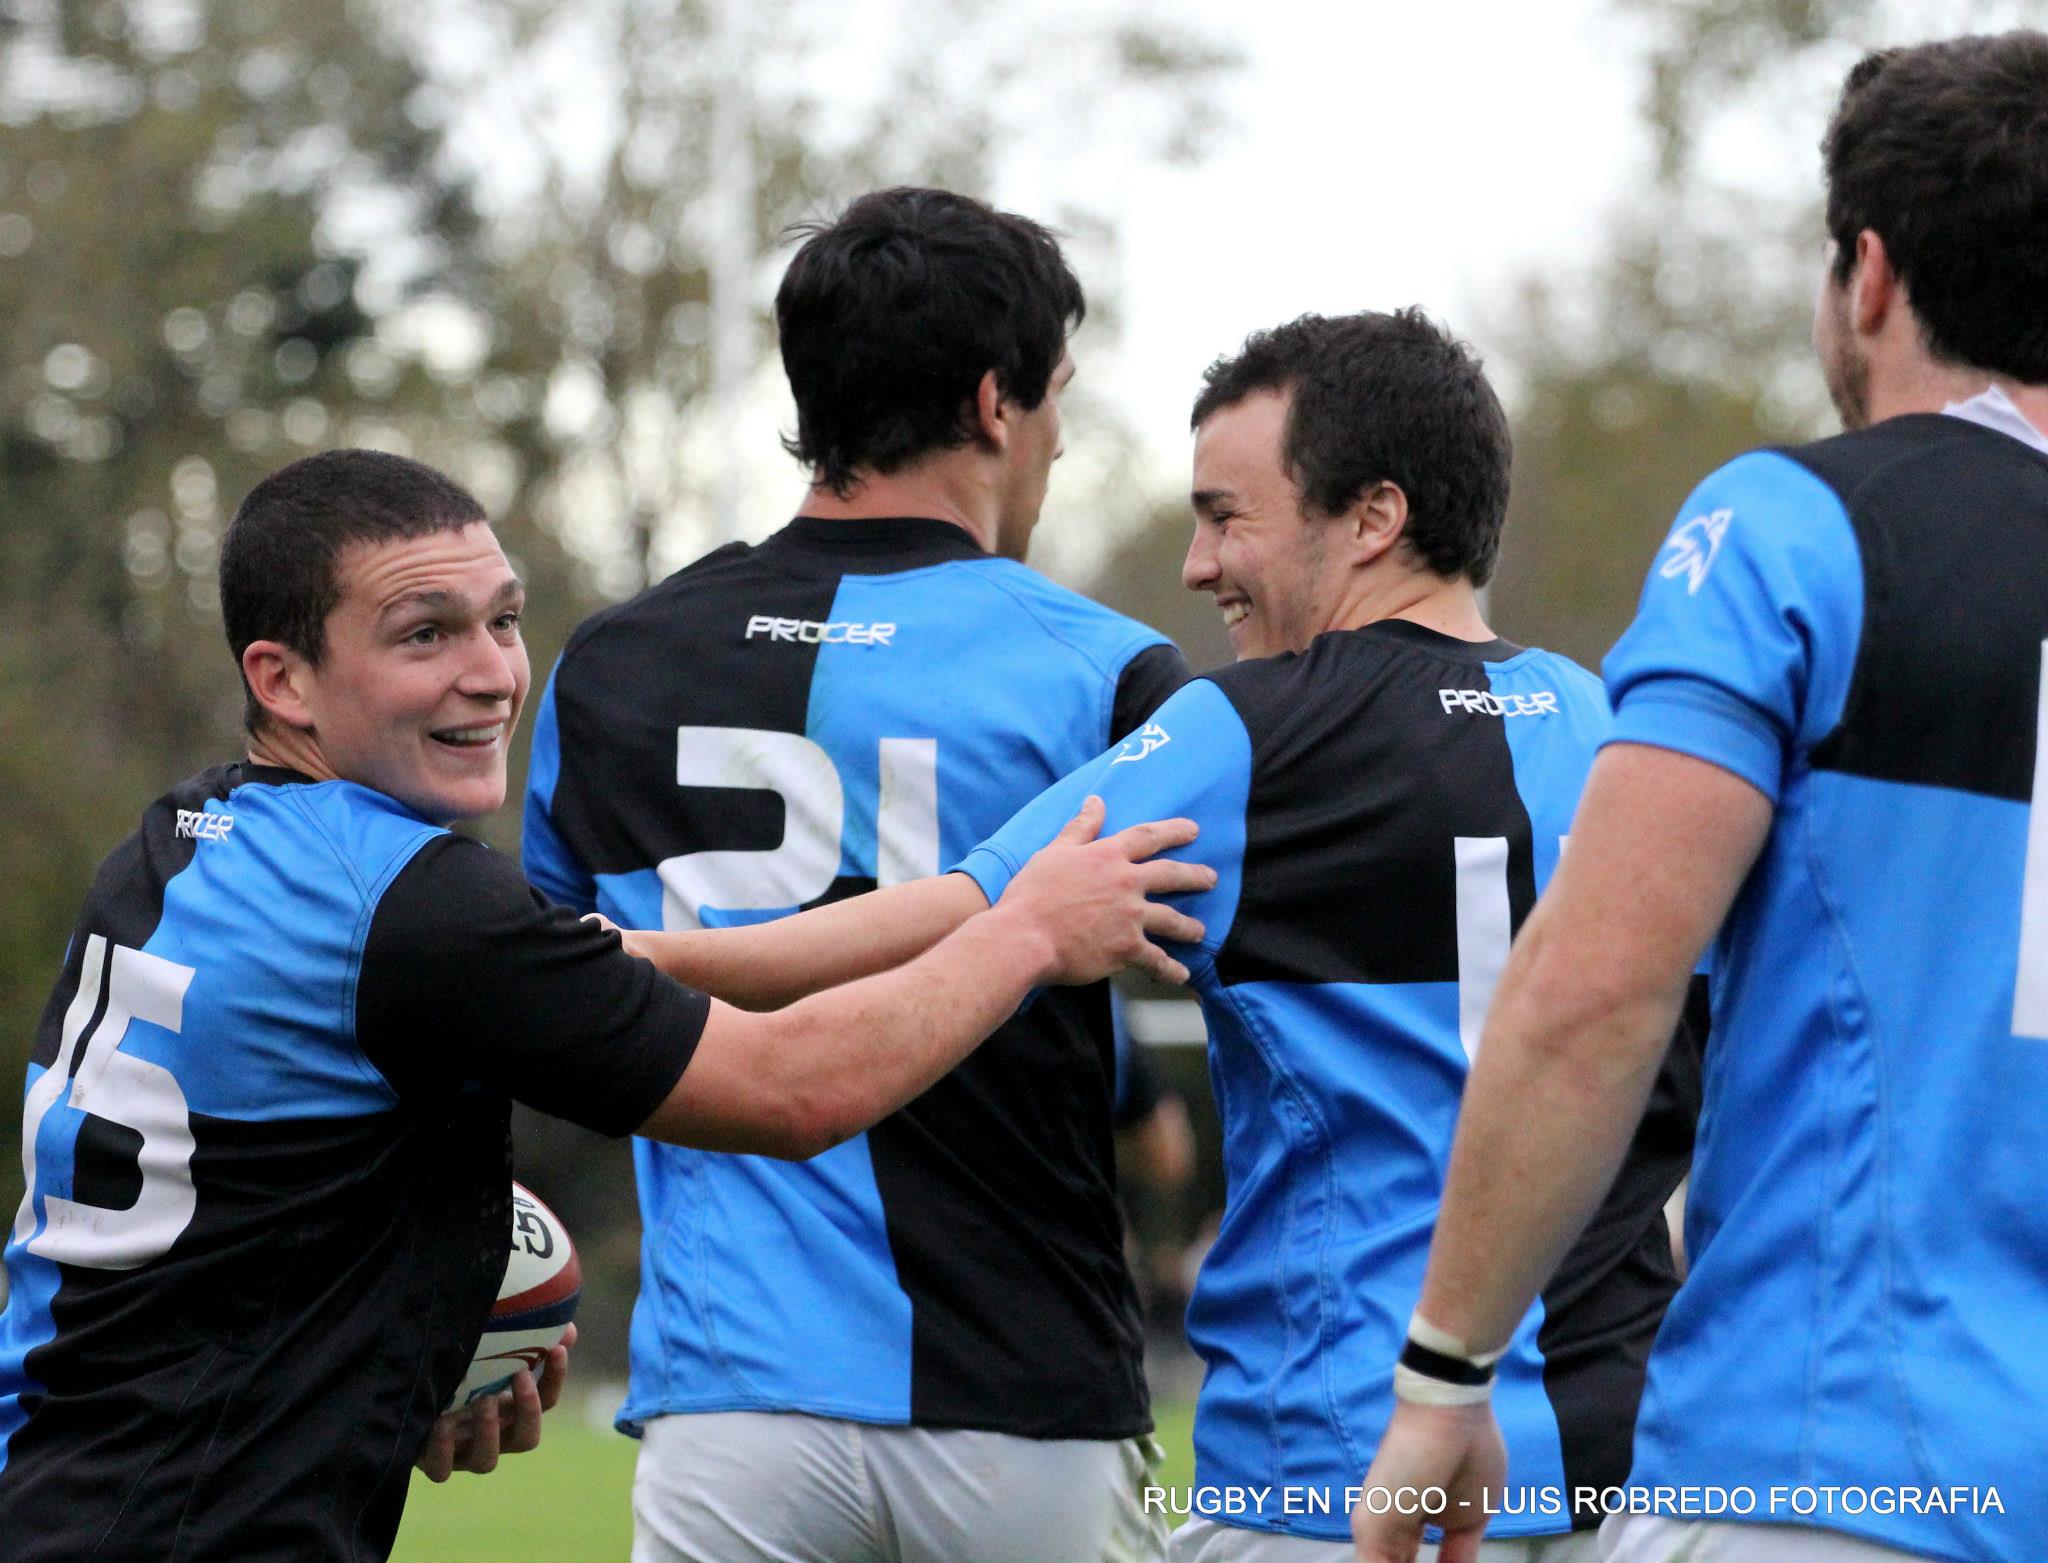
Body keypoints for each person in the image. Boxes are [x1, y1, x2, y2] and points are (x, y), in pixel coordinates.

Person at [620, 310, 1703, 1562]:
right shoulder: (1631, 731)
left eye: (1225, 515)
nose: (1195, 564)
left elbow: (945, 923)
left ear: (1372, 518)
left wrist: (647, 957)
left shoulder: (1248, 735)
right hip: (1624, 1484)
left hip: (1341, 1479)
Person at [0, 448, 1209, 1563]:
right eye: (426, 635)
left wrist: (385, 1340)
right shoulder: (419, 908)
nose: (490, 673)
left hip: (60, 1482)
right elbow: (795, 1089)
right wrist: (1029, 932)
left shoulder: (178, 840)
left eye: (505, 620)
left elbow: (264, 1176)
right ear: (284, 678)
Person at [1353, 31, 2048, 1563]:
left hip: (1844, 1462)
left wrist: (1447, 1368)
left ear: (1866, 275)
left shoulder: (1794, 526)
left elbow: (1599, 989)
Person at [523, 186, 1191, 1563]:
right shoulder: (1111, 673)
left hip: (733, 1401)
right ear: (1000, 401)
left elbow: (542, 992)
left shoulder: (612, 663)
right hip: (1023, 1390)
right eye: (1059, 396)